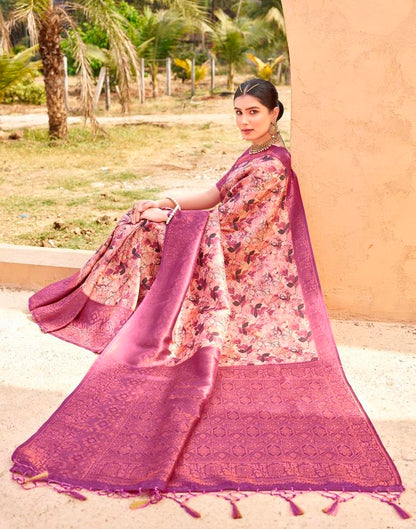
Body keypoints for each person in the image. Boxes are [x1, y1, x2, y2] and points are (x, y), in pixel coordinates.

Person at [12, 78, 404, 517]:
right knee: (137, 219)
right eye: (238, 112)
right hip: (218, 236)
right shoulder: (253, 154)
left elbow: (231, 225)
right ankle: (123, 312)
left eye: (253, 112)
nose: (244, 120)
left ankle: (126, 316)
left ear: (275, 113)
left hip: (237, 262)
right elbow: (217, 195)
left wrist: (171, 218)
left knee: (148, 231)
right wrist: (165, 200)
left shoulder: (272, 166)